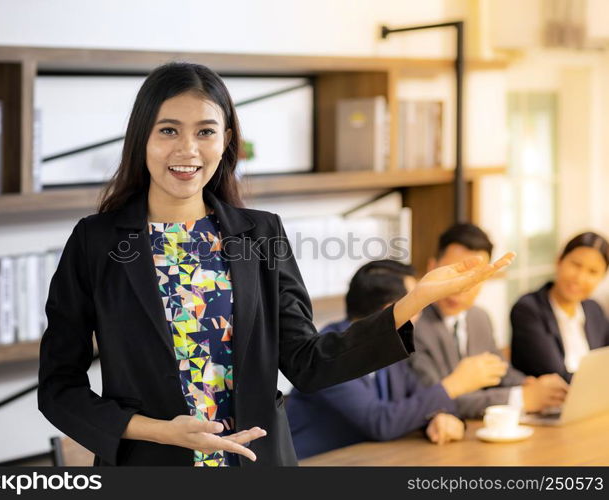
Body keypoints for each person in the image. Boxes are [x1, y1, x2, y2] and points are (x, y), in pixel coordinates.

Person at [36, 62, 515, 467]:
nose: (188, 150)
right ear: (142, 138)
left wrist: (415, 301)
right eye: (168, 131)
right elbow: (59, 388)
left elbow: (308, 363)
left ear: (226, 141)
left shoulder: (261, 234)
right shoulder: (95, 243)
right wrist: (160, 432)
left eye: (205, 132)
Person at [287, 261, 507, 460]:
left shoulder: (388, 344)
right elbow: (380, 422)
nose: (421, 313)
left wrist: (437, 418)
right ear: (390, 310)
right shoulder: (326, 353)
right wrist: (454, 385)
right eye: (417, 303)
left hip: (369, 459)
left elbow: (416, 394)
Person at [409, 223, 567, 419]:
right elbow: (437, 400)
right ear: (432, 267)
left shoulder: (479, 317)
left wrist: (531, 385)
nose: (461, 287)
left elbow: (500, 370)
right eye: (454, 273)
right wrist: (521, 397)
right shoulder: (413, 326)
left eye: (474, 277)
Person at [511, 232, 609, 383]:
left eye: (593, 272)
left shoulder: (593, 309)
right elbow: (557, 376)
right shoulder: (528, 309)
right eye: (576, 265)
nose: (580, 278)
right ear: (559, 261)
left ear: (602, 277)